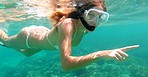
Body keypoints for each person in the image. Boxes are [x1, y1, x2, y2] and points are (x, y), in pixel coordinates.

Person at [0, 0, 139, 71]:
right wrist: (101, 54)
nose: (95, 22)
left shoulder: (85, 28)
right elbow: (66, 65)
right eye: (91, 15)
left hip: (43, 40)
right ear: (82, 13)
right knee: (5, 40)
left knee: (27, 54)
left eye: (101, 17)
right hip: (28, 37)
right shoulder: (68, 24)